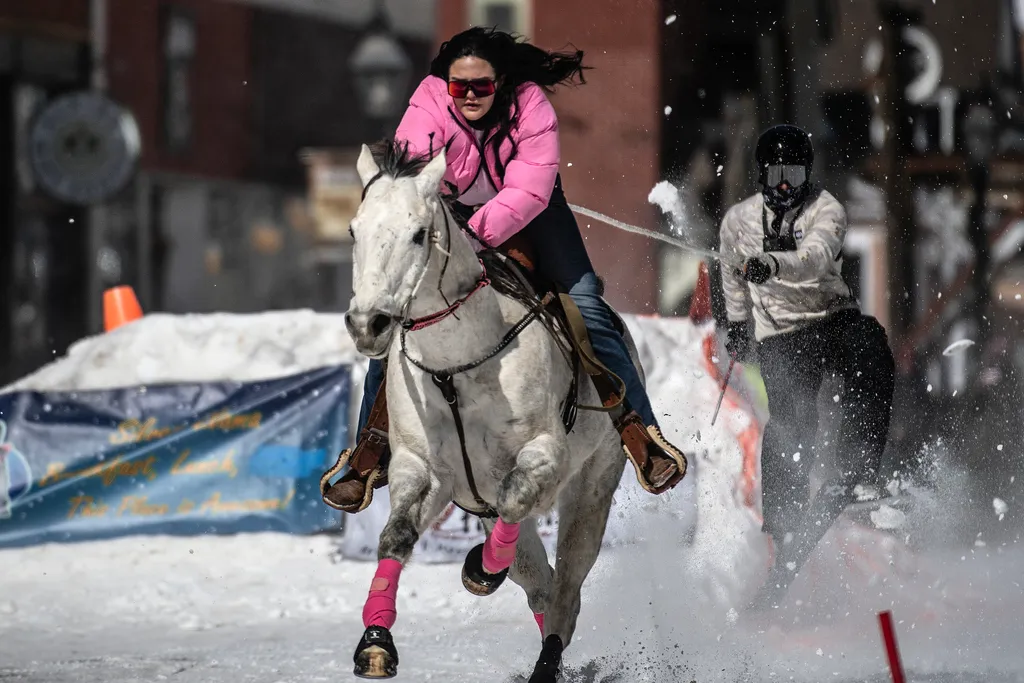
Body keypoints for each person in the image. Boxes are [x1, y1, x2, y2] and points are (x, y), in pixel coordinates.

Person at [322, 27, 687, 514]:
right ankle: (372, 448)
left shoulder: (531, 104)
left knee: (586, 305)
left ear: (501, 83)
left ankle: (639, 432)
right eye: (459, 87)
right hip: (446, 216)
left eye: (481, 86)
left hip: (532, 211)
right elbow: (412, 184)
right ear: (444, 85)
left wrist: (475, 238)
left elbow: (530, 191)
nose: (469, 95)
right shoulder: (425, 104)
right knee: (397, 317)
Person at [718, 124, 896, 611]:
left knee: (871, 346)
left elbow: (817, 259)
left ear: (807, 173)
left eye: (793, 173)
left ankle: (858, 465)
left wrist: (773, 265)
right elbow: (732, 274)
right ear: (762, 174)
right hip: (781, 334)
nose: (783, 185)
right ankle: (785, 514)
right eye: (775, 173)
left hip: (829, 318)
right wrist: (737, 323)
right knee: (792, 421)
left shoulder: (827, 209)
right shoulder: (738, 221)